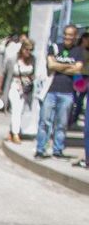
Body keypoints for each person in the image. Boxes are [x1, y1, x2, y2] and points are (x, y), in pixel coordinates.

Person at [36, 24, 80, 159]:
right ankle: (40, 149)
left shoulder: (79, 52)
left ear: (75, 37)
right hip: (50, 91)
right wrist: (69, 66)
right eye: (66, 34)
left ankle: (57, 150)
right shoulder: (55, 47)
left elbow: (77, 69)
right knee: (44, 122)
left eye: (70, 35)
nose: (67, 37)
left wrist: (59, 66)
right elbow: (51, 65)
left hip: (68, 93)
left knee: (61, 124)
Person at [0, 37, 36, 145]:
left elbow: (33, 73)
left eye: (31, 50)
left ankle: (11, 131)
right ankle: (16, 133)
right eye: (26, 49)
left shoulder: (33, 60)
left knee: (21, 110)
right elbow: (4, 73)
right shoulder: (13, 59)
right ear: (22, 49)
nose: (28, 52)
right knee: (16, 109)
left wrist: (30, 81)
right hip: (13, 85)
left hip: (25, 88)